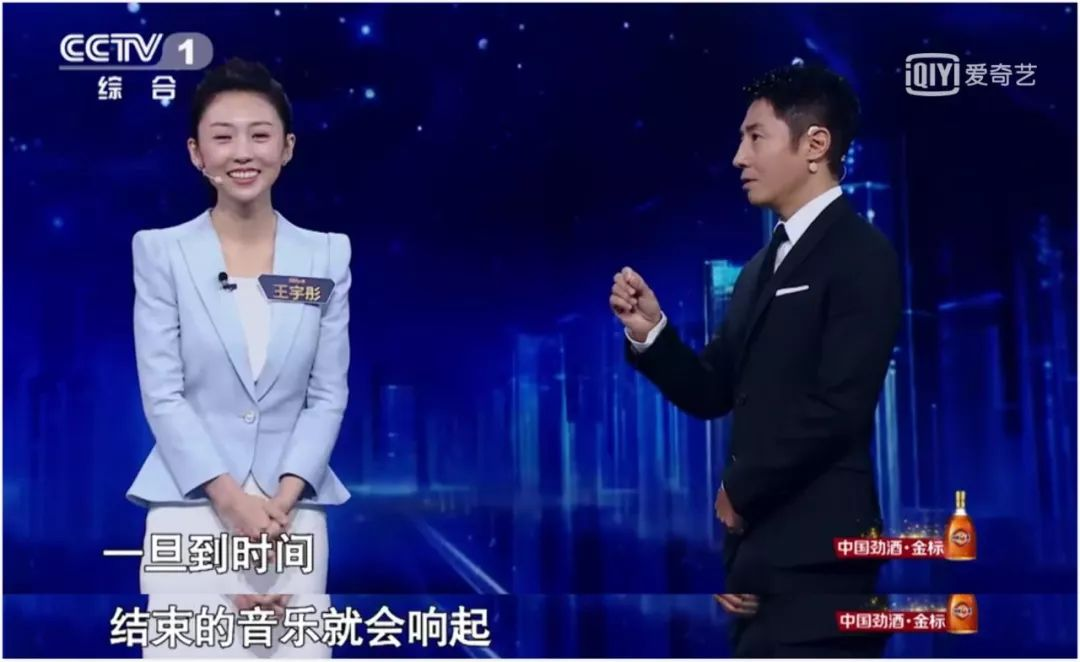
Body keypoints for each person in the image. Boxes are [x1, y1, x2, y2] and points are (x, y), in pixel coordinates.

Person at [609, 64, 900, 657]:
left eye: (755, 137)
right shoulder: (756, 272)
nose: (739, 157)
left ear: (815, 145)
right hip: (758, 563)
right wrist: (652, 335)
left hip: (826, 565)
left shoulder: (862, 255)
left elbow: (839, 409)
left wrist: (738, 490)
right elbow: (714, 389)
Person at [128, 57, 352, 657]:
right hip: (192, 507)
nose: (242, 153)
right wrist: (231, 503)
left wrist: (280, 503)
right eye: (223, 137)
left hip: (289, 515)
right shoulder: (162, 253)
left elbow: (327, 394)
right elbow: (163, 393)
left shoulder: (327, 256)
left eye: (260, 135)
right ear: (197, 154)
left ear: (287, 147)